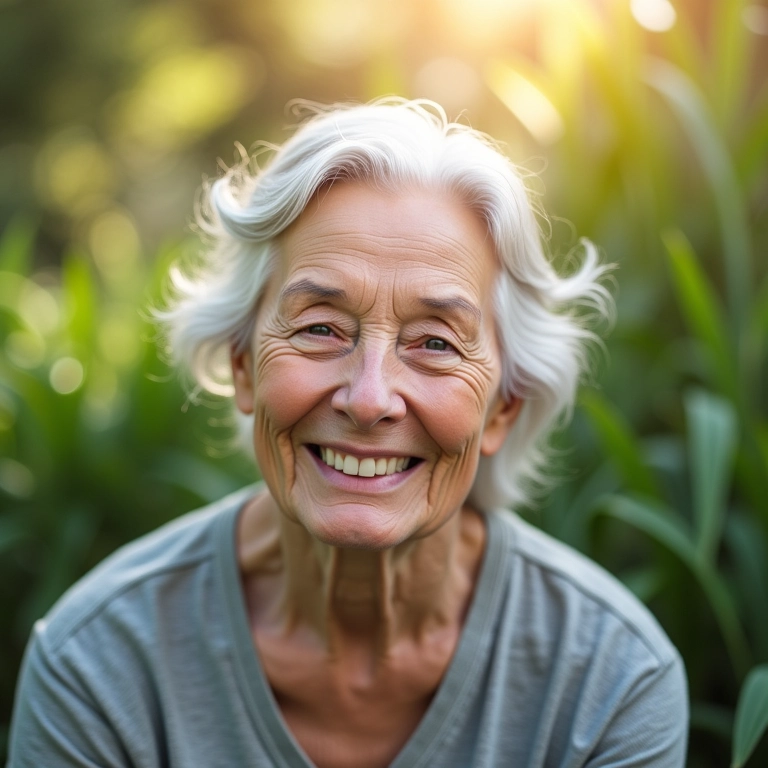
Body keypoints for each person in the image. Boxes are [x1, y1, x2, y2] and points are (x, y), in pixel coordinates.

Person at [7, 99, 687, 767]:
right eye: (320, 329)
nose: (368, 399)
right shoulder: (98, 667)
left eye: (435, 343)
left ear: (504, 405)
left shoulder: (610, 681)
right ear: (242, 366)